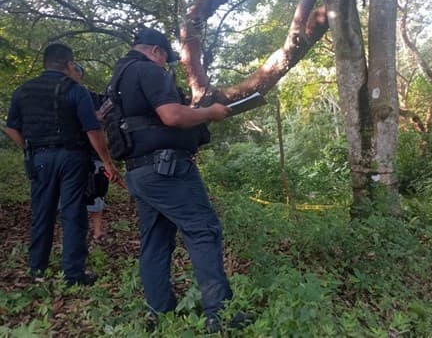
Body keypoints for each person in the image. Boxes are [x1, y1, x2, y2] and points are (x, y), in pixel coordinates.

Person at [109, 27, 249, 333]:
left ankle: (160, 309)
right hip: (167, 170)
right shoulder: (149, 71)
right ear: (157, 52)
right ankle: (220, 315)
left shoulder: (119, 79)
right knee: (203, 231)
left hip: (139, 171)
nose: (166, 65)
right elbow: (172, 116)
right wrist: (210, 112)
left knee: (156, 239)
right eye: (166, 60)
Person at [4, 43, 122, 286]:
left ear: (45, 63)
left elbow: (11, 128)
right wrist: (108, 162)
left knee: (42, 212)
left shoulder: (23, 90)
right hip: (72, 157)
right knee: (73, 213)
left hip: (39, 158)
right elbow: (93, 129)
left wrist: (29, 148)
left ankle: (37, 267)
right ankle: (73, 273)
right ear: (68, 64)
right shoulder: (75, 90)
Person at [71, 63, 109, 242]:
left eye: (76, 72)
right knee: (72, 193)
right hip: (70, 153)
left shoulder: (91, 96)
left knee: (97, 189)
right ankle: (76, 232)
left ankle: (97, 230)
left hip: (93, 153)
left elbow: (103, 116)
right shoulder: (58, 97)